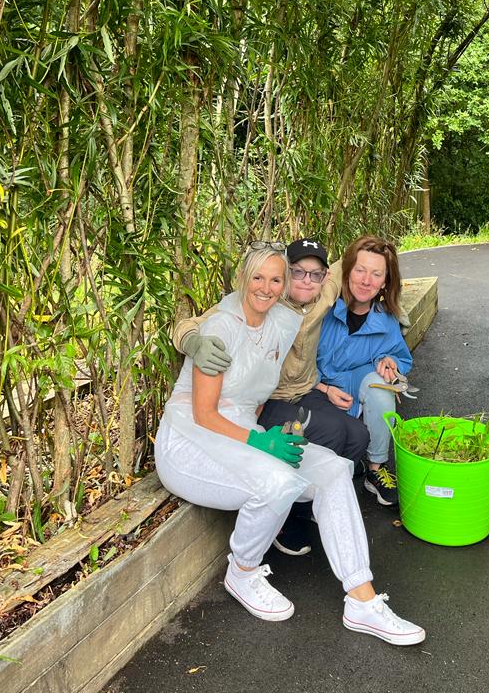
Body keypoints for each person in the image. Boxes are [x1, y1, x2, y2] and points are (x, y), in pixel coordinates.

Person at [155, 244, 425, 645]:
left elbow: (343, 273)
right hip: (191, 440)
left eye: (275, 279)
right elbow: (204, 413)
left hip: (244, 430)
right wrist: (260, 442)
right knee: (279, 481)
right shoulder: (221, 326)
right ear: (242, 279)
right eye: (258, 278)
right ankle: (242, 571)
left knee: (334, 468)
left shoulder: (282, 320)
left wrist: (274, 431)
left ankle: (362, 601)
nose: (266, 287)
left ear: (284, 286)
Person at [173, 238, 370, 554]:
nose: (307, 280)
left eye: (315, 274)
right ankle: (289, 517)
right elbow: (188, 326)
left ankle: (322, 503)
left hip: (305, 390)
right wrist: (194, 343)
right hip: (271, 400)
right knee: (329, 433)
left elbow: (349, 266)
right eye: (297, 272)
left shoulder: (322, 295)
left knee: (358, 434)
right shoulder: (267, 304)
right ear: (286, 274)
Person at [316, 235, 413, 509]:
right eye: (360, 270)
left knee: (380, 386)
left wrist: (390, 361)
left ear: (385, 282)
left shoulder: (386, 319)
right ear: (347, 271)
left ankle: (376, 467)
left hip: (353, 389)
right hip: (314, 389)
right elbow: (296, 361)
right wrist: (323, 389)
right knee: (332, 472)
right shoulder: (323, 306)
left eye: (376, 274)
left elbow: (403, 360)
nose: (365, 280)